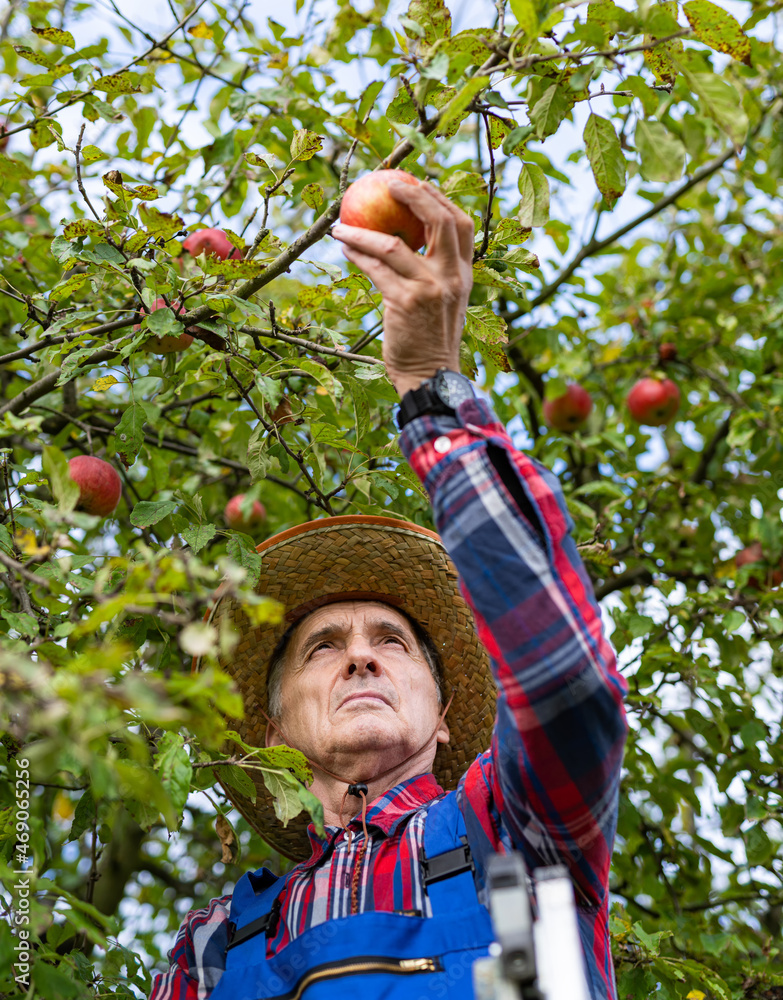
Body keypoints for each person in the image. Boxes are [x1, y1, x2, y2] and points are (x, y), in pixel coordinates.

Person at [149, 180, 628, 1000]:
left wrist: (428, 381)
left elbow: (563, 683)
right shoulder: (216, 948)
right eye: (323, 648)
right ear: (271, 729)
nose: (360, 658)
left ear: (445, 722)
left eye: (391, 641)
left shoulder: (514, 839)